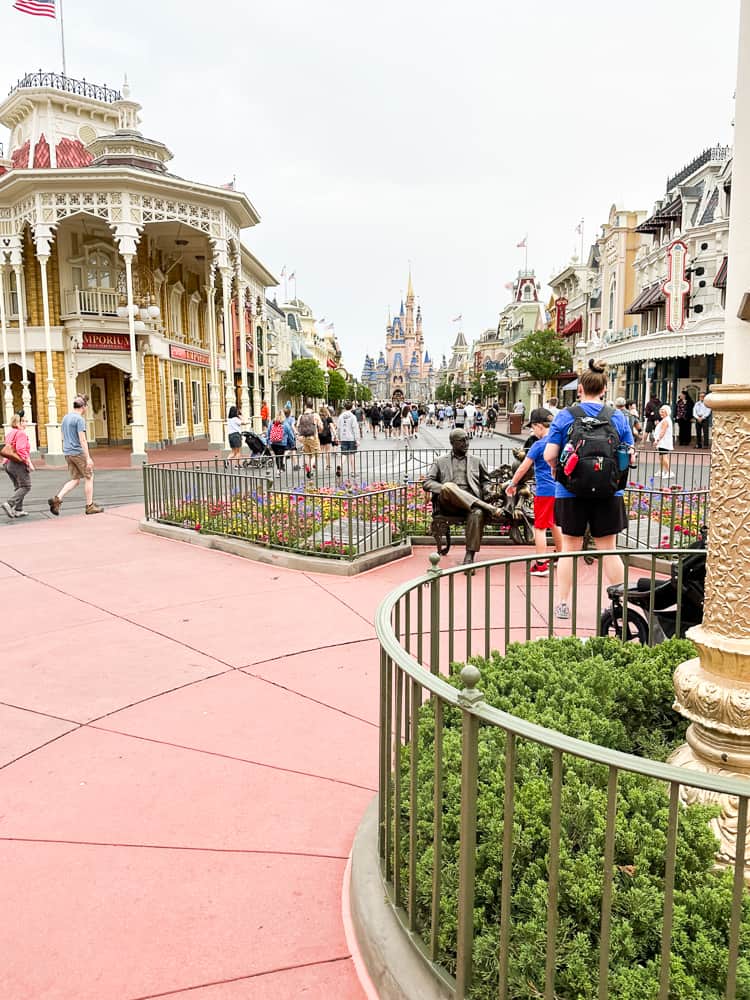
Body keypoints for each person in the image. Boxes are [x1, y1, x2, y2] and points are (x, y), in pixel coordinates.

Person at [543, 360, 633, 620]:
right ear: (604, 389)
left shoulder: (565, 415)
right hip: (609, 491)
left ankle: (562, 603)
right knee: (609, 550)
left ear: (580, 389)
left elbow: (550, 453)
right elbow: (628, 453)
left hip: (570, 491)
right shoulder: (617, 416)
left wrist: (556, 467)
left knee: (569, 549)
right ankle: (620, 603)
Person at [423, 428, 500, 564]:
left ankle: (469, 556)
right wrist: (445, 488)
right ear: (452, 443)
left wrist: (488, 490)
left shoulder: (477, 461)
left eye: (467, 439)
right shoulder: (440, 461)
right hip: (449, 504)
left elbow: (486, 481)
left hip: (470, 505)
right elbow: (427, 482)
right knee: (448, 486)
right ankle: (487, 507)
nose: (466, 443)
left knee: (477, 513)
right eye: (461, 440)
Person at [505, 408, 561, 576]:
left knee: (540, 527)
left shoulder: (539, 445)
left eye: (532, 427)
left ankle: (541, 564)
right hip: (560, 489)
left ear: (539, 426)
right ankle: (561, 555)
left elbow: (523, 468)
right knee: (555, 523)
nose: (532, 431)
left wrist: (513, 483)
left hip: (545, 490)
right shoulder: (560, 441)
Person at [48, 396, 103, 516]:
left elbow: (62, 436)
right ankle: (90, 506)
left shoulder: (65, 418)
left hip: (68, 452)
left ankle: (57, 499)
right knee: (89, 477)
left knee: (75, 480)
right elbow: (82, 439)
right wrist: (88, 457)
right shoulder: (79, 420)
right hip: (77, 452)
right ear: (83, 407)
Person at [2, 412, 34, 518]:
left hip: (8, 464)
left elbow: (9, 449)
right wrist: (28, 463)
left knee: (18, 487)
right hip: (17, 464)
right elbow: (21, 449)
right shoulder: (21, 433)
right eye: (24, 421)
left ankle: (18, 509)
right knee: (26, 486)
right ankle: (9, 503)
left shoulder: (11, 433)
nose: (26, 423)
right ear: (18, 422)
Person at [297, 400, 324, 478]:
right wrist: (319, 431)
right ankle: (310, 467)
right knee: (315, 454)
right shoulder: (315, 415)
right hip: (313, 437)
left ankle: (307, 466)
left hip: (303, 437)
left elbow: (298, 426)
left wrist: (299, 435)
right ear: (312, 406)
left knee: (307, 454)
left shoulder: (301, 415)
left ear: (305, 406)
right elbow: (321, 426)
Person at [337, 400, 360, 476]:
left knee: (344, 454)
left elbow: (339, 428)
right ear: (351, 407)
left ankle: (340, 465)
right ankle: (353, 472)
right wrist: (357, 439)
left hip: (343, 437)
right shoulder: (353, 417)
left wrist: (339, 438)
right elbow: (355, 428)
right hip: (351, 438)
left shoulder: (340, 416)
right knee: (352, 454)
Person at [654, 404, 674, 478]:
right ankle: (662, 471)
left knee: (664, 457)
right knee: (661, 457)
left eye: (663, 411)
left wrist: (657, 440)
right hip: (663, 442)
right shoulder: (665, 419)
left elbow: (663, 431)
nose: (661, 413)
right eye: (660, 411)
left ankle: (669, 472)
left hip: (664, 442)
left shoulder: (666, 420)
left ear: (667, 412)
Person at [318, 404, 337, 469]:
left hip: (320, 435)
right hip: (327, 435)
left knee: (319, 451)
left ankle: (314, 463)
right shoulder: (328, 418)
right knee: (327, 451)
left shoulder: (318, 418)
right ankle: (328, 465)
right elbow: (332, 427)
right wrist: (335, 435)